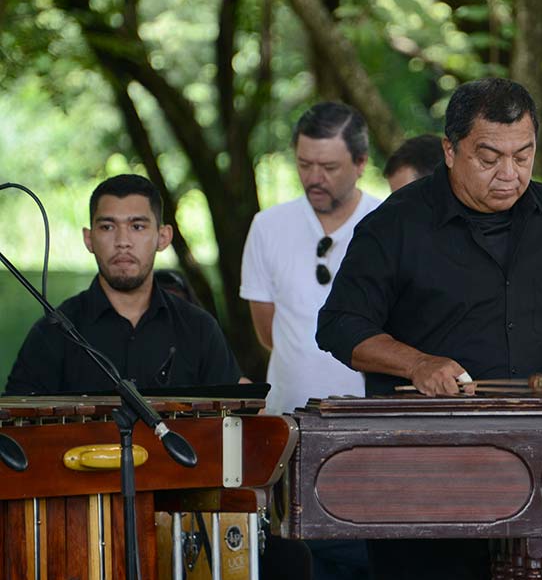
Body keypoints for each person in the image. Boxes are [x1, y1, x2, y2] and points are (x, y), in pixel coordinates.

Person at [317, 77, 542, 580]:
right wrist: (417, 363)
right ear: (450, 150)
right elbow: (340, 326)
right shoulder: (396, 224)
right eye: (489, 157)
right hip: (423, 472)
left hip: (528, 470)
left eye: (523, 155)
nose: (510, 174)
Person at [5, 174, 241, 394]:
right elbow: (13, 430)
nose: (122, 241)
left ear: (163, 237)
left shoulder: (199, 330)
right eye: (108, 227)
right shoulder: (53, 334)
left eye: (137, 227)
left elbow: (230, 424)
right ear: (89, 239)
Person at [240, 102, 382, 414]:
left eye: (329, 168)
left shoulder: (387, 224)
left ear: (361, 163)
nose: (314, 178)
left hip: (370, 416)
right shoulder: (268, 226)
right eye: (304, 165)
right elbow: (268, 332)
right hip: (286, 416)